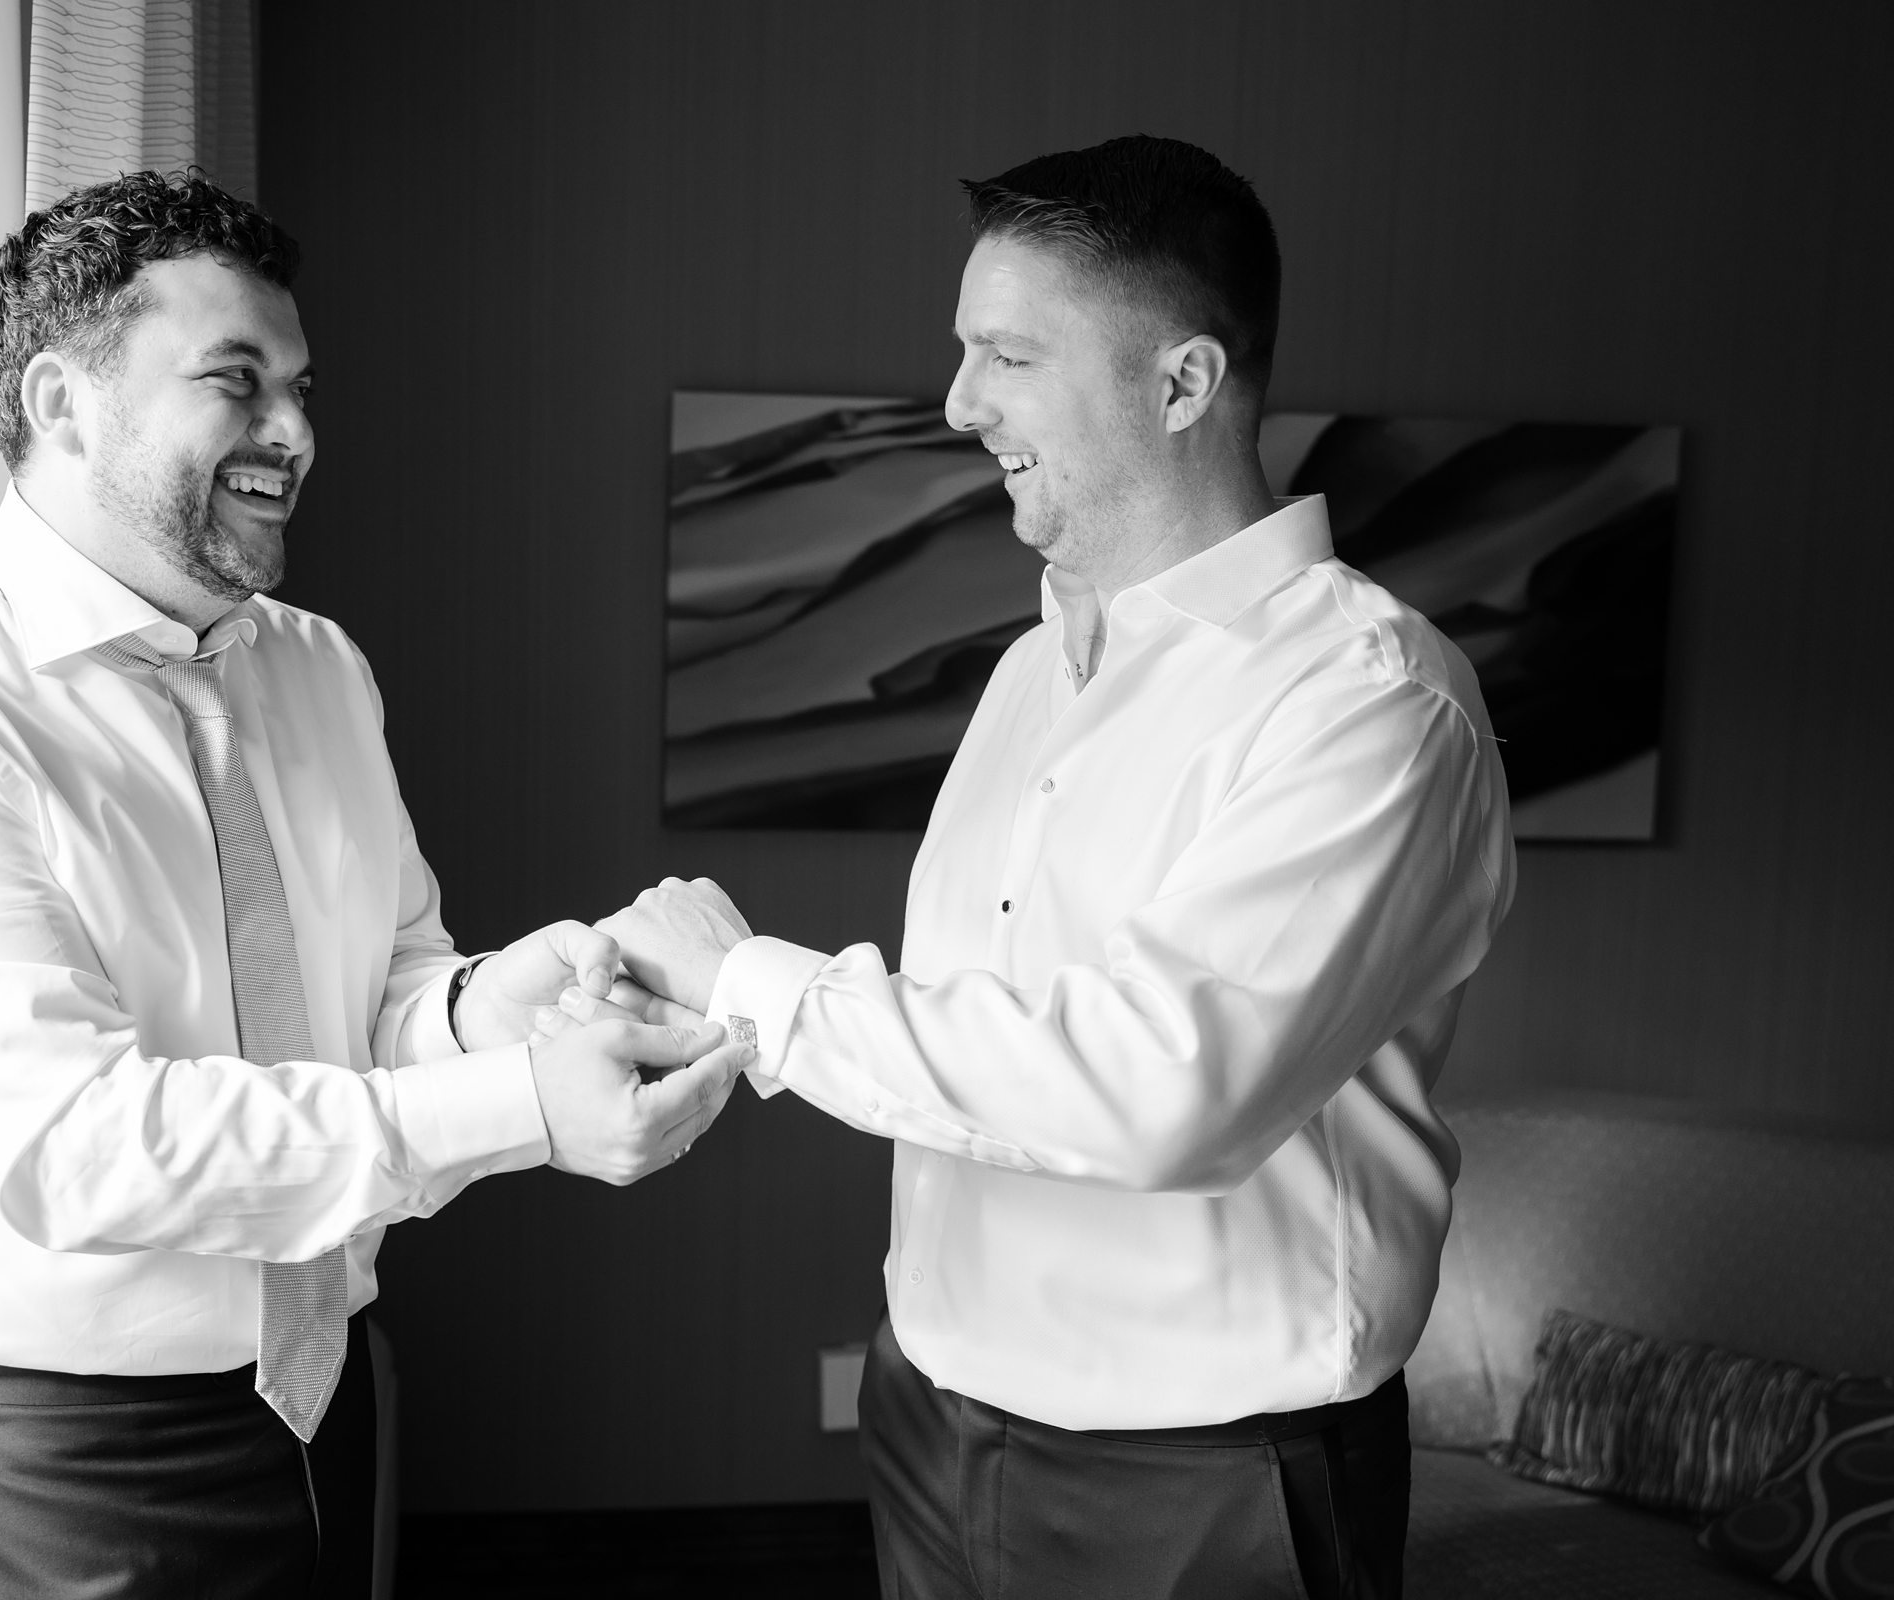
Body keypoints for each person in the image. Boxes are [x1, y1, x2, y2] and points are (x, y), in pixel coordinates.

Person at [589, 137, 1515, 1598]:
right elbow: (1004, 1031)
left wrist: (766, 987)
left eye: (1007, 355)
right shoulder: (1029, 671)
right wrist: (711, 1010)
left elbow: (1163, 1093)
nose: (961, 404)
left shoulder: (1370, 700)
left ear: (1182, 384)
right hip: (932, 1420)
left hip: (1206, 1479)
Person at [0, 170, 745, 1600]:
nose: (298, 433)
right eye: (238, 382)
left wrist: (488, 1008)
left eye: (302, 388)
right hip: (64, 1448)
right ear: (63, 402)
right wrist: (524, 1109)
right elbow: (78, 1142)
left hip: (328, 1402)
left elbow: (379, 993)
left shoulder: (321, 667)